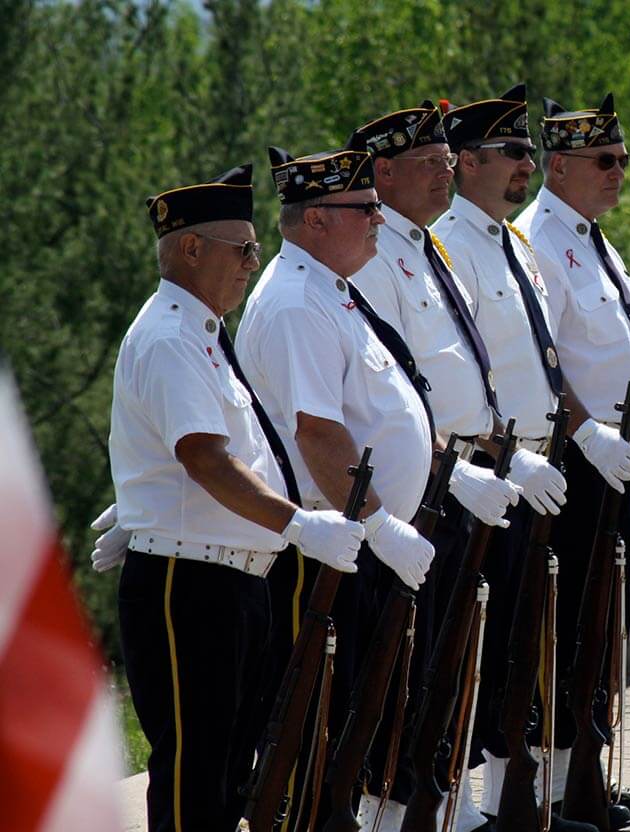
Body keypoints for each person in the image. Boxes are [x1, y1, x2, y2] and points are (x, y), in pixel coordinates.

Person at [95, 164, 365, 831]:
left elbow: (223, 453)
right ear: (191, 249)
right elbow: (205, 460)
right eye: (241, 248)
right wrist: (300, 524)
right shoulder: (171, 336)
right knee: (196, 770)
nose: (253, 262)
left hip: (230, 576)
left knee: (230, 768)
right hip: (189, 581)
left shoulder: (203, 334)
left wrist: (139, 497)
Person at [347, 99, 564, 831]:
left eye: (447, 159)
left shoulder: (421, 246)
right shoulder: (378, 256)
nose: (444, 171)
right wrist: (459, 464)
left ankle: (449, 800)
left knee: (465, 648)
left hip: (473, 469)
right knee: (417, 653)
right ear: (382, 173)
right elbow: (393, 389)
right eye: (429, 161)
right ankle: (398, 805)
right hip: (428, 483)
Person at [433, 83, 630, 831]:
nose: (523, 164)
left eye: (527, 151)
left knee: (542, 637)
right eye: (513, 152)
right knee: (482, 647)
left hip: (539, 462)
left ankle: (534, 799)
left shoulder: (511, 242)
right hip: (489, 470)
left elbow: (543, 360)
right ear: (465, 162)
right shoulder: (453, 243)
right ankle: (476, 807)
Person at [234, 145, 444, 829]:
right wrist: (381, 526)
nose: (380, 219)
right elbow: (317, 432)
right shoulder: (297, 301)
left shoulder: (331, 290)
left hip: (357, 542)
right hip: (326, 545)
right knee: (319, 715)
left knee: (360, 710)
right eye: (366, 208)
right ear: (317, 219)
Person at [513, 91, 630, 825]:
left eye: (623, 160)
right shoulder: (539, 238)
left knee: (606, 626)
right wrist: (591, 435)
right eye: (604, 161)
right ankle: (553, 790)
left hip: (614, 454)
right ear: (560, 165)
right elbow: (545, 364)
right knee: (570, 622)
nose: (618, 173)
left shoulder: (587, 234)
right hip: (574, 458)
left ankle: (591, 780)